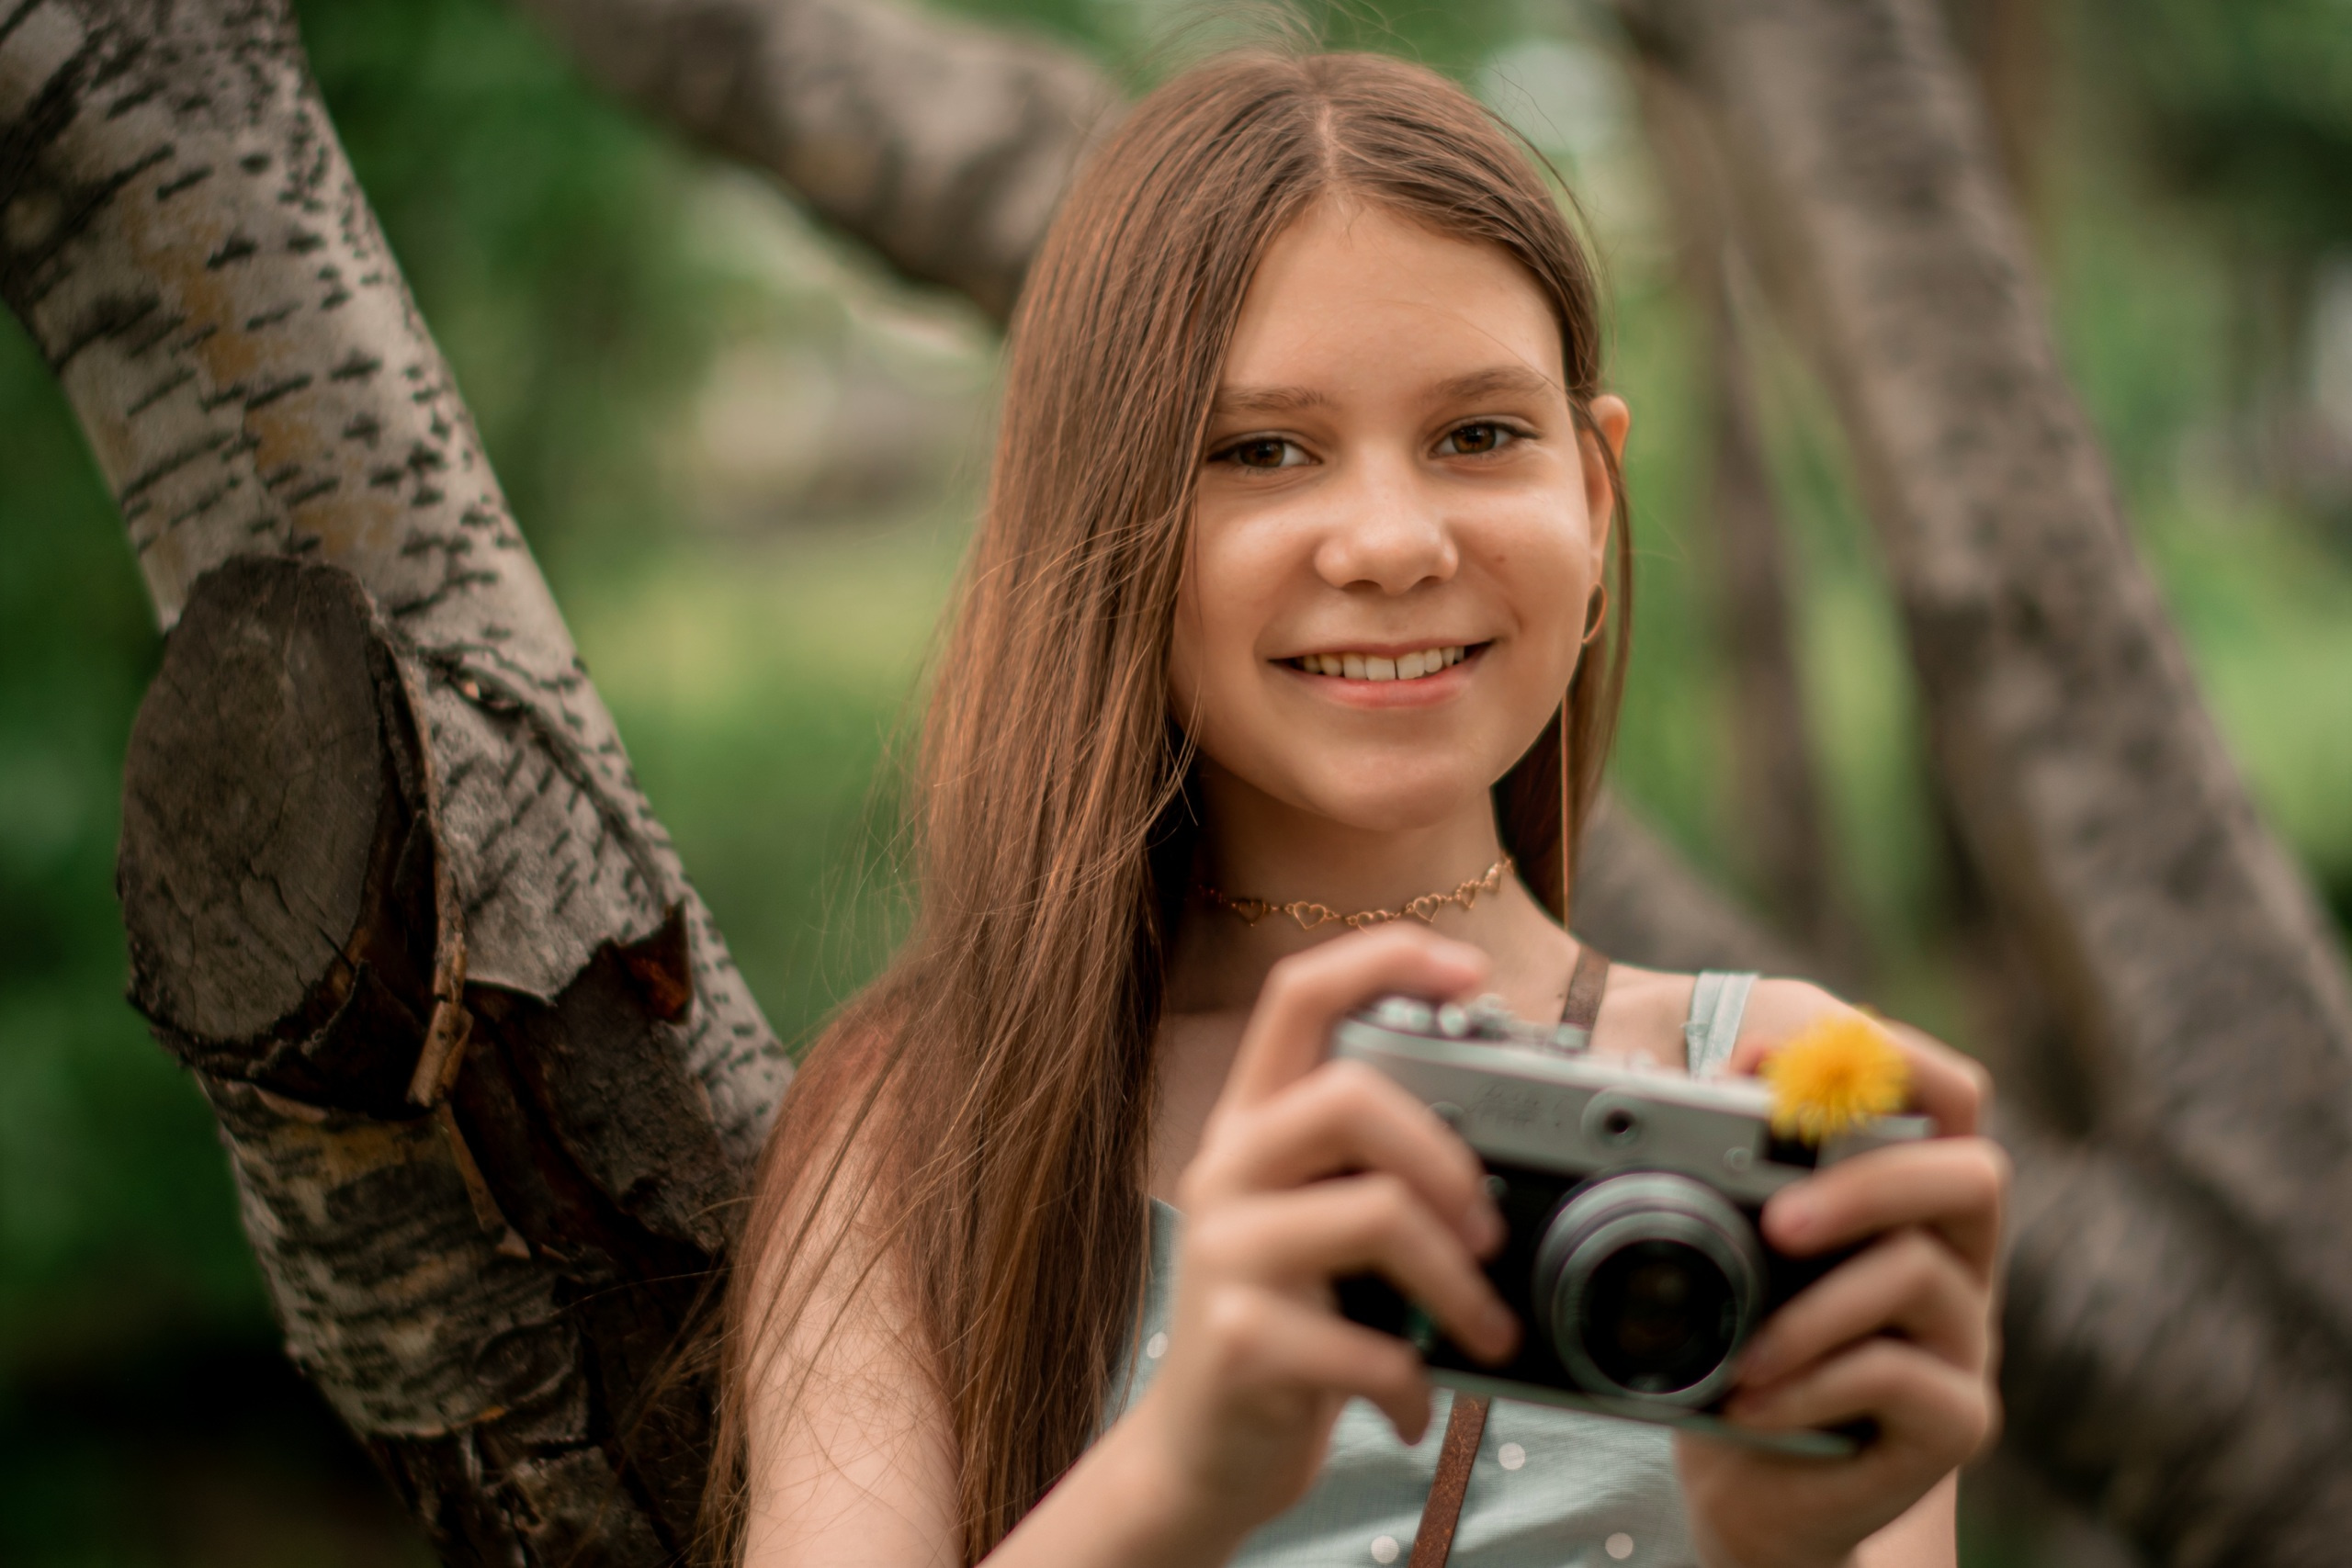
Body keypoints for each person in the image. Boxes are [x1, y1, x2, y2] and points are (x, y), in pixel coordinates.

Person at [710, 48, 2006, 1568]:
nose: (1389, 542)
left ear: (1595, 500)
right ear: (1105, 516)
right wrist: (1184, 1474)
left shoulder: (1791, 1092)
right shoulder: (919, 1120)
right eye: (1262, 451)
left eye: (1477, 436)